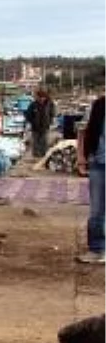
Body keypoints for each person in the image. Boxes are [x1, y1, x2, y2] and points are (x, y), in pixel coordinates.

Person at [77, 89, 106, 264]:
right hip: (98, 163)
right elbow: (86, 131)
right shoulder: (98, 105)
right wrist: (83, 157)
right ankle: (96, 249)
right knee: (96, 210)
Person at [25, 88, 56, 158]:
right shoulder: (33, 104)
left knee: (44, 141)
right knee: (35, 142)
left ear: (45, 97)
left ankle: (44, 156)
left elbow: (52, 114)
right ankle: (36, 156)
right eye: (39, 97)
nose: (41, 99)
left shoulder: (50, 104)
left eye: (42, 97)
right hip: (35, 127)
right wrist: (32, 121)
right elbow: (28, 114)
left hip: (45, 126)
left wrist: (50, 122)